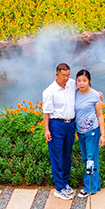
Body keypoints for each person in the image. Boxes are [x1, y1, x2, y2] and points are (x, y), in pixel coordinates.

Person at [42, 63, 77, 200]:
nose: (66, 78)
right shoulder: (49, 91)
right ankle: (59, 187)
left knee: (67, 155)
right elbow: (46, 113)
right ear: (57, 74)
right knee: (57, 156)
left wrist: (97, 94)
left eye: (68, 75)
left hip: (70, 124)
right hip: (56, 124)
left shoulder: (71, 84)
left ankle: (65, 182)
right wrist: (47, 130)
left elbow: (84, 87)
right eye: (64, 76)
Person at [74, 69, 105, 197]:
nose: (81, 83)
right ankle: (95, 185)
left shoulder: (94, 96)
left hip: (92, 131)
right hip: (80, 132)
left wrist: (103, 135)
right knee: (87, 158)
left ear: (89, 81)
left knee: (90, 159)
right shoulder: (74, 93)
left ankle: (89, 188)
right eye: (79, 81)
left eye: (84, 81)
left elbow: (100, 116)